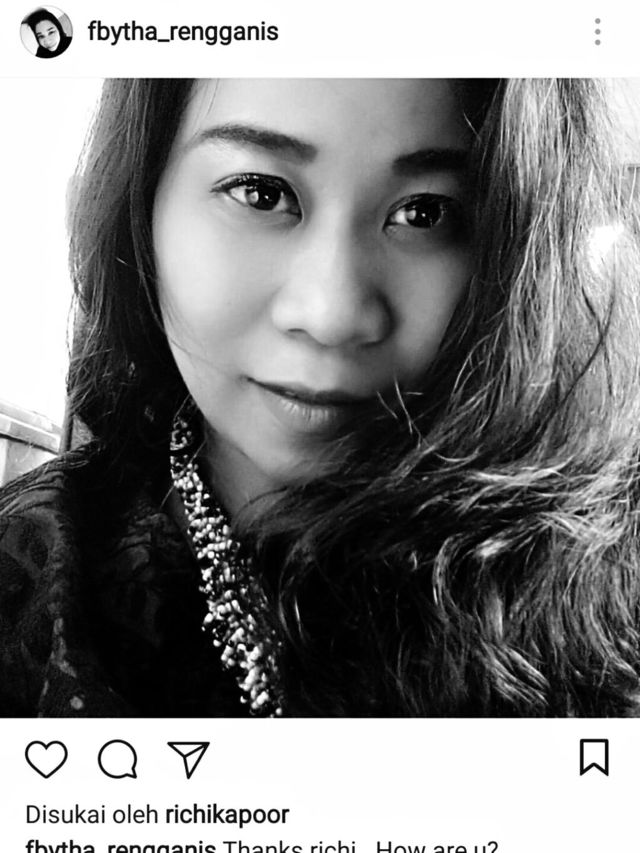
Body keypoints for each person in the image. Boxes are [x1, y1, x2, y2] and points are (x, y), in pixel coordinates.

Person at [1, 79, 639, 717]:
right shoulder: (29, 577)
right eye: (262, 193)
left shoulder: (606, 570)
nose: (333, 315)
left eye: (426, 212)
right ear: (143, 203)